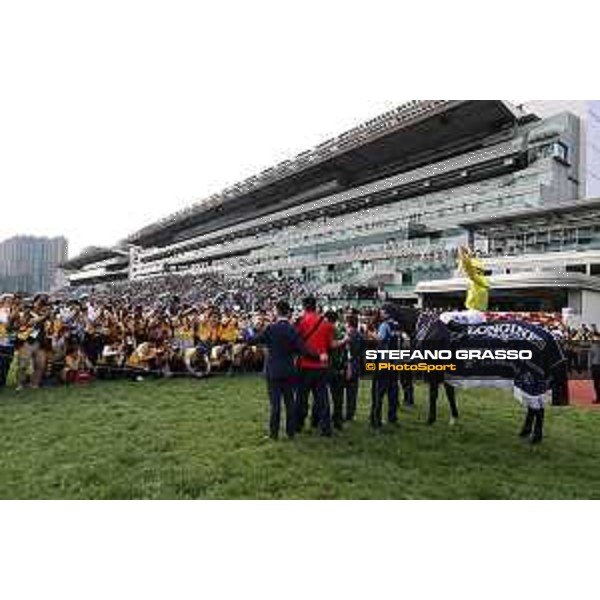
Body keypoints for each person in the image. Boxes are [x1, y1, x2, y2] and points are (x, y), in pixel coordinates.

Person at [253, 300, 324, 440]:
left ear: (276, 311)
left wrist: (248, 335)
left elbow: (253, 340)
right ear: (287, 312)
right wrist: (319, 356)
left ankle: (274, 434)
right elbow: (303, 350)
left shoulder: (270, 328)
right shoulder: (292, 329)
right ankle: (291, 432)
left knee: (275, 405)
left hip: (273, 371)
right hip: (289, 370)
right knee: (290, 403)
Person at [295, 297, 335, 436]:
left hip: (305, 365)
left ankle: (298, 425)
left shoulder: (301, 321)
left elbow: (297, 342)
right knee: (322, 399)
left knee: (301, 398)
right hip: (322, 366)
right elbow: (330, 345)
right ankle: (325, 428)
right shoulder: (326, 324)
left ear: (305, 306)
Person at [370, 304, 400, 430]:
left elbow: (380, 339)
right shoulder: (397, 325)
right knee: (393, 392)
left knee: (378, 393)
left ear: (387, 313)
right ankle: (392, 417)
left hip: (383, 362)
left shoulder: (384, 325)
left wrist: (371, 334)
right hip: (394, 362)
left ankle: (375, 420)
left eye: (382, 311)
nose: (380, 313)